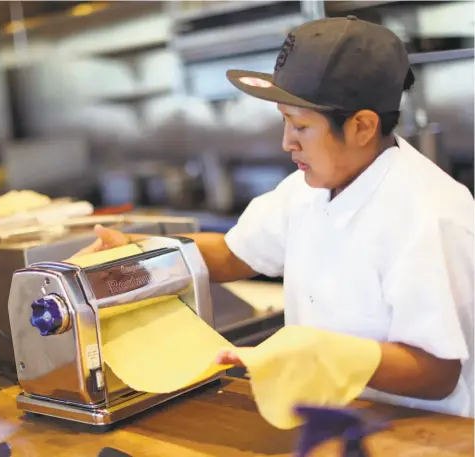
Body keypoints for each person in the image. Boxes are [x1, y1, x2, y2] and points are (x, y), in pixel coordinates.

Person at [77, 17, 474, 417]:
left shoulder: (429, 214)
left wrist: (330, 356)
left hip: (422, 432)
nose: (287, 142)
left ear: (363, 126)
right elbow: (234, 254)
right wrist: (140, 258)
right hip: (328, 421)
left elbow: (438, 372)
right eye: (284, 120)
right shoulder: (306, 190)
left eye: (300, 125)